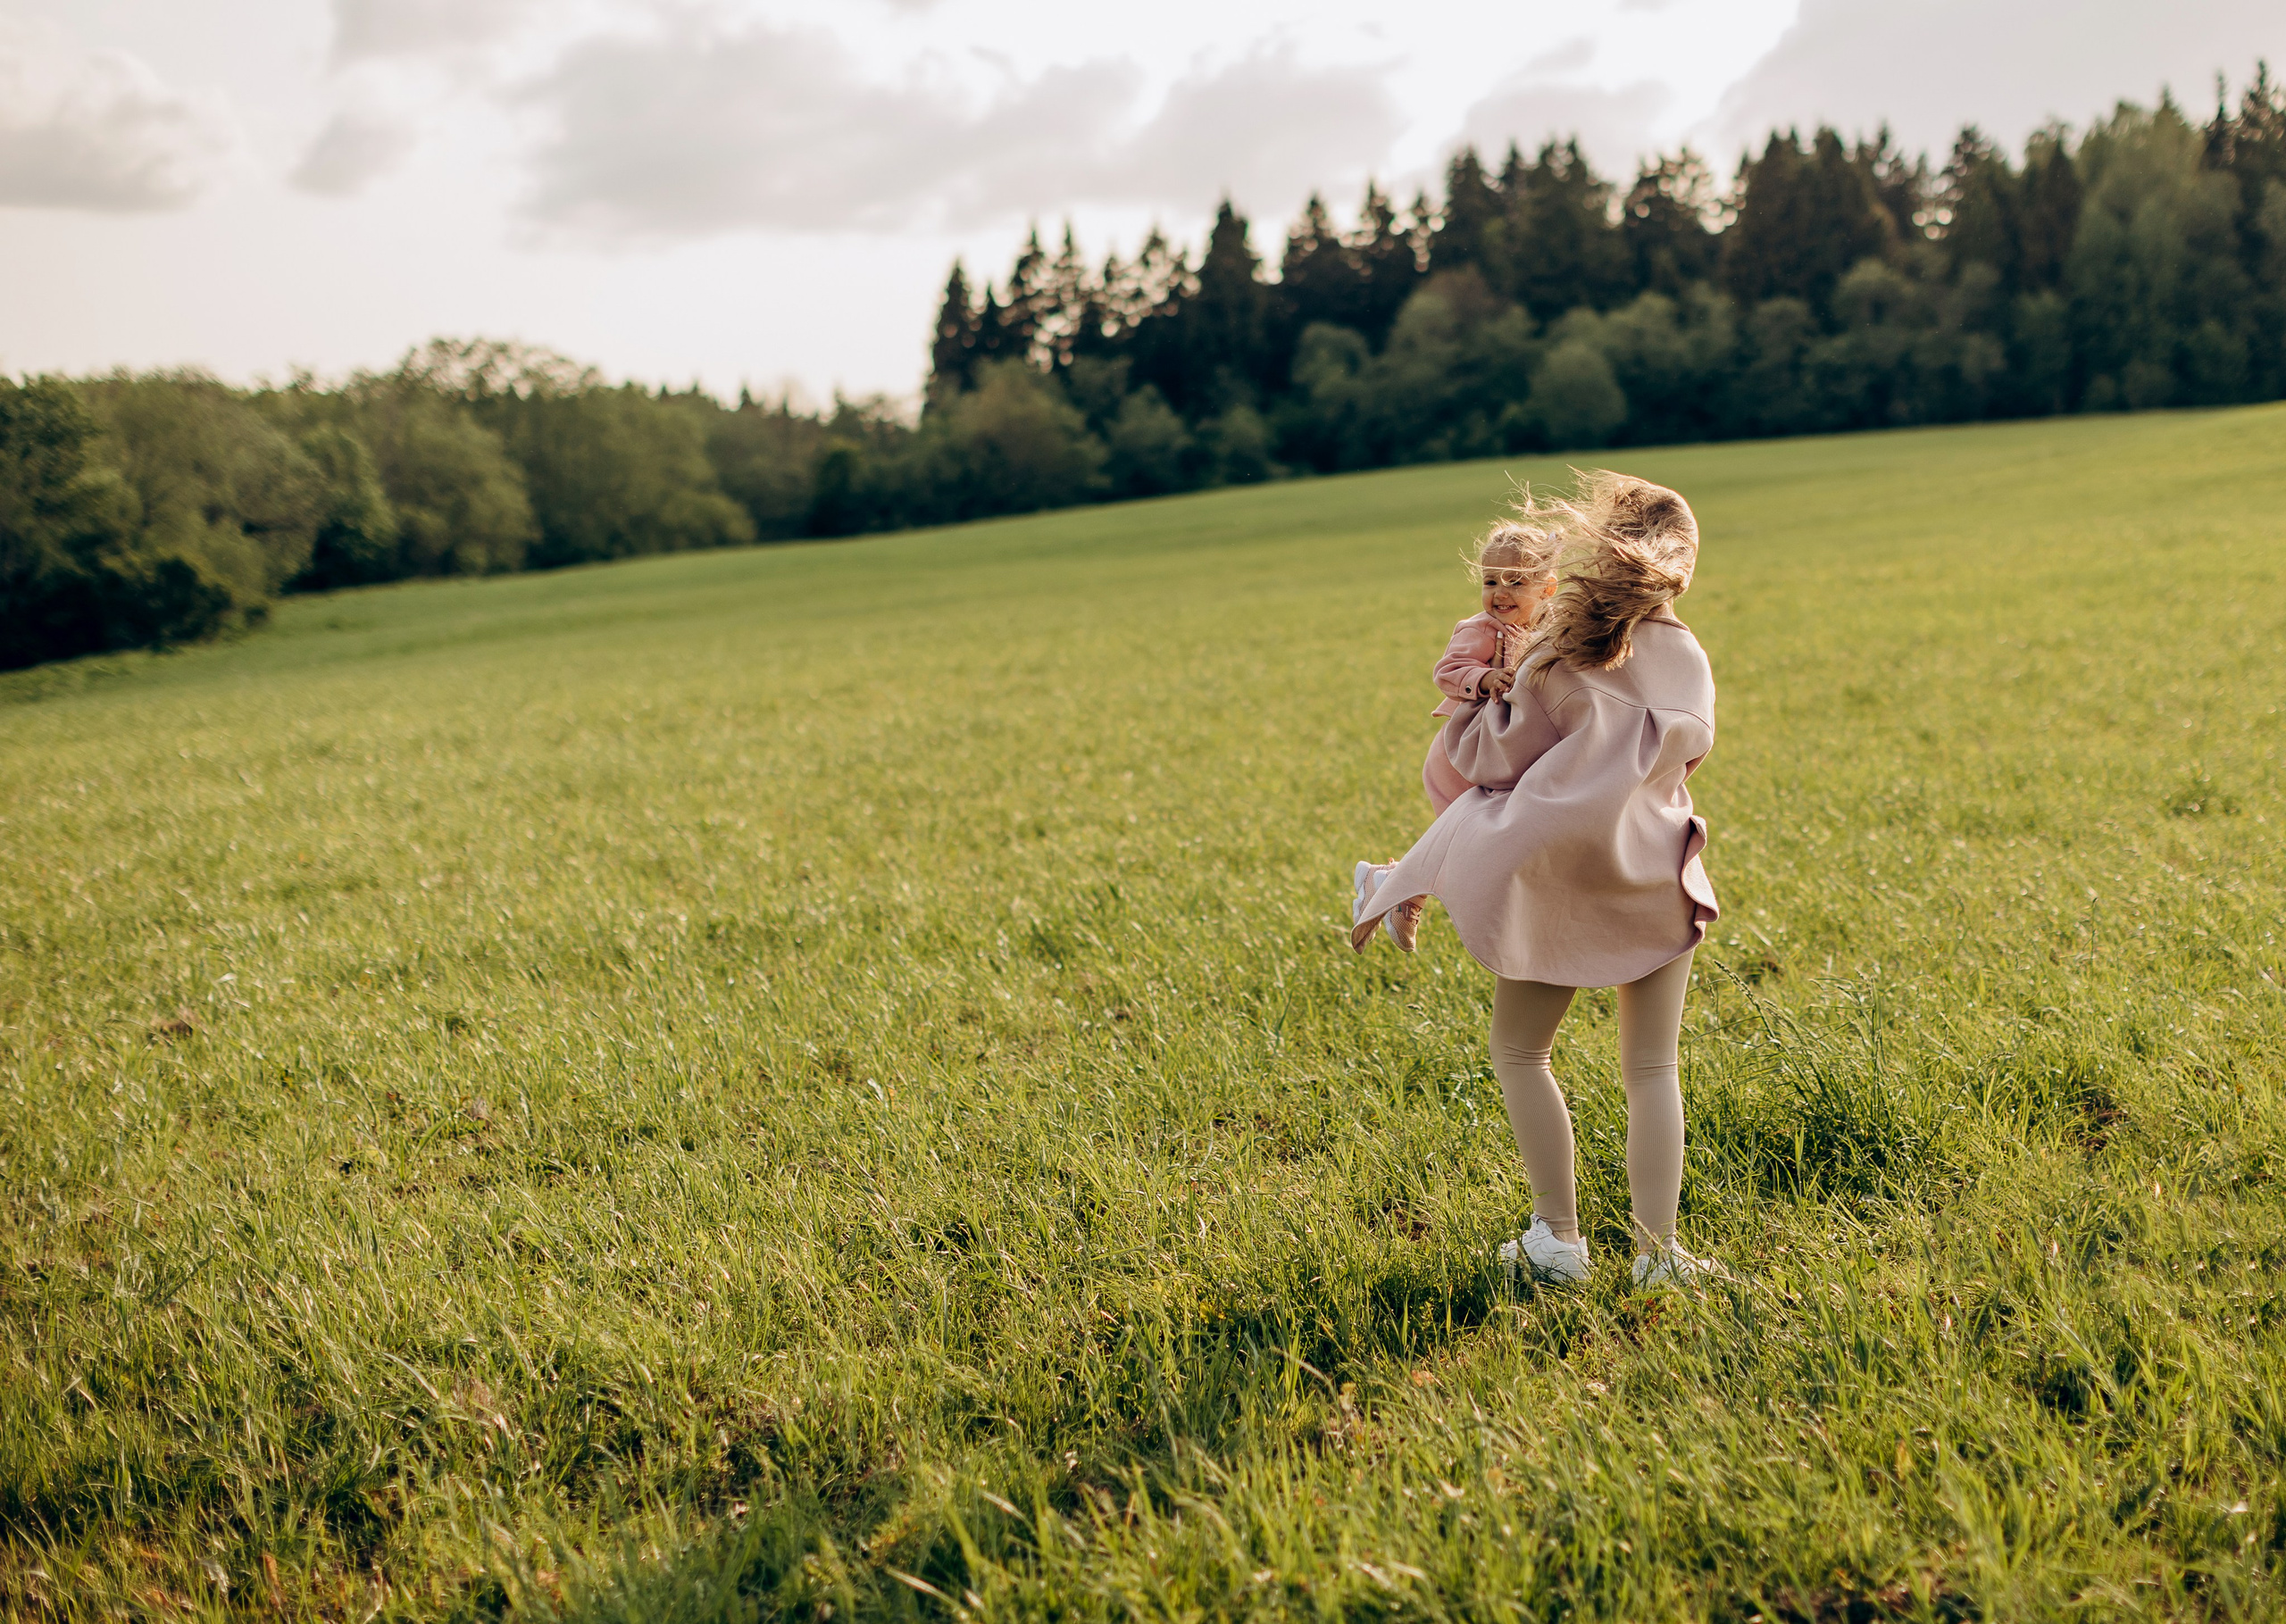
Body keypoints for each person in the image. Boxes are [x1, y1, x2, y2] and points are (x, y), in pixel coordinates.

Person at [1351, 471, 1722, 1289]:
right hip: (1652, 868)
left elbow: (1488, 760)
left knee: (1522, 1051)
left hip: (1550, 874)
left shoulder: (1557, 653)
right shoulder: (1687, 656)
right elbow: (1689, 752)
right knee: (1653, 1067)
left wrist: (1484, 709)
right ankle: (1659, 1253)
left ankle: (1558, 1237)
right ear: (1679, 568)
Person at [1352, 511, 1562, 952]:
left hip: (1505, 752)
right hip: (1464, 753)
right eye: (1490, 582)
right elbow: (1448, 671)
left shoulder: (1552, 628)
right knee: (1465, 844)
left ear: (1547, 588)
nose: (1500, 593)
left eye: (1515, 581)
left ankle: (1390, 884)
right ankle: (1394, 888)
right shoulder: (1483, 630)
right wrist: (1484, 680)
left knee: (1479, 843)